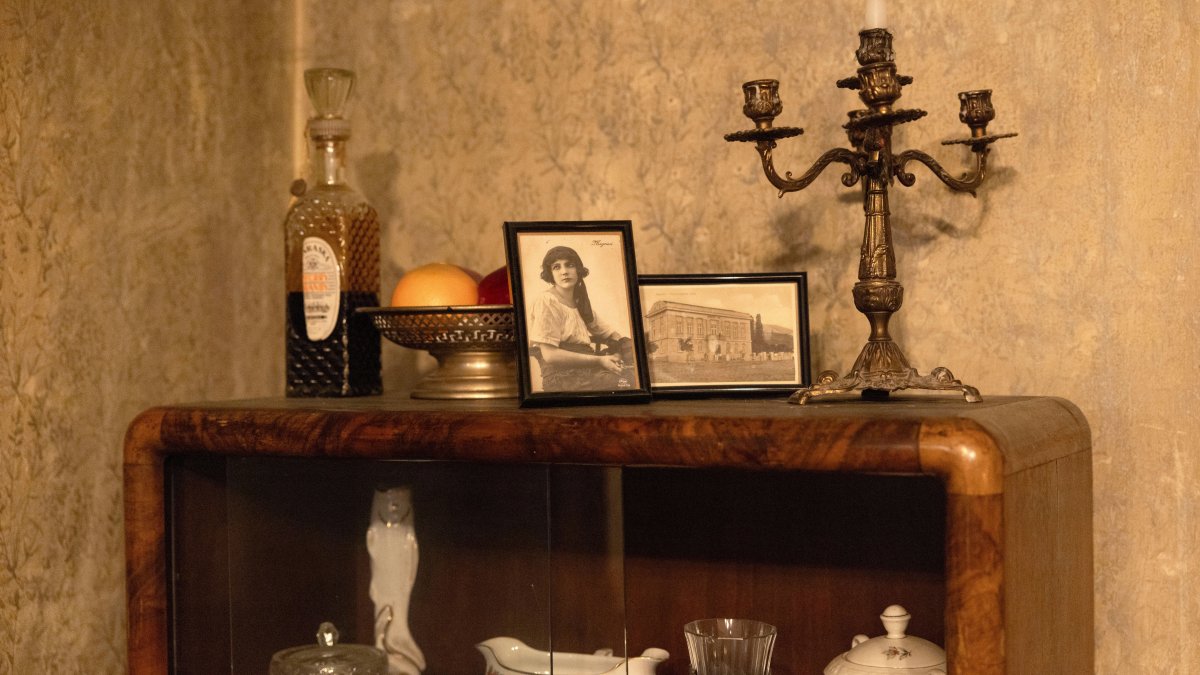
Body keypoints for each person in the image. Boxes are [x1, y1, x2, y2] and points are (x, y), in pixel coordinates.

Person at [528, 245, 635, 391]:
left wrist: (617, 353)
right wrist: (600, 360)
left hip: (587, 370)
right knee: (625, 383)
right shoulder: (547, 301)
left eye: (570, 265)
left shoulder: (580, 303)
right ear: (550, 274)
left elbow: (611, 334)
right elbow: (550, 355)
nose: (564, 271)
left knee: (631, 375)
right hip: (563, 376)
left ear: (578, 270)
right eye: (556, 267)